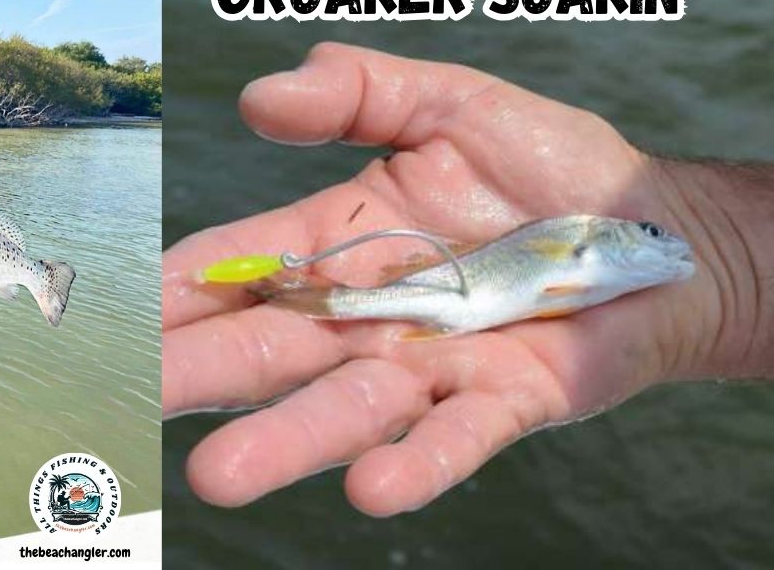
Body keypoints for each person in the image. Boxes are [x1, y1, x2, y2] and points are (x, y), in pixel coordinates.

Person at [163, 42, 773, 517]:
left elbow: (561, 287)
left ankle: (320, 300)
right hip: (461, 296)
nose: (669, 246)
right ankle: (320, 300)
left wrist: (728, 258)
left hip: (467, 298)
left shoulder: (605, 263)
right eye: (653, 235)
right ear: (609, 239)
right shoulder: (587, 241)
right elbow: (558, 283)